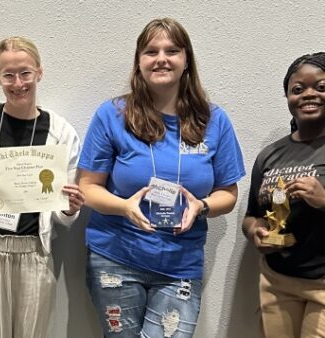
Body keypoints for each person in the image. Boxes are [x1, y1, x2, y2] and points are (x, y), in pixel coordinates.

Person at [78, 18, 245, 337]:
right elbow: (88, 188)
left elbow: (229, 193)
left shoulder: (214, 120)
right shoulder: (112, 115)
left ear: (186, 61)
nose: (161, 58)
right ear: (139, 62)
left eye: (172, 50)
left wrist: (202, 207)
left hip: (180, 264)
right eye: (150, 51)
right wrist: (125, 207)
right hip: (115, 257)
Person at [0, 36, 84, 338]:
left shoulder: (61, 133)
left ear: (39, 72)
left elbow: (60, 210)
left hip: (34, 251)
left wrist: (70, 208)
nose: (18, 83)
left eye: (25, 73)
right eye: (8, 75)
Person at [243, 52, 325, 338]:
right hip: (276, 281)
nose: (309, 94)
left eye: (321, 87)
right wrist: (256, 231)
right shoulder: (270, 154)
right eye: (298, 89)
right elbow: (251, 216)